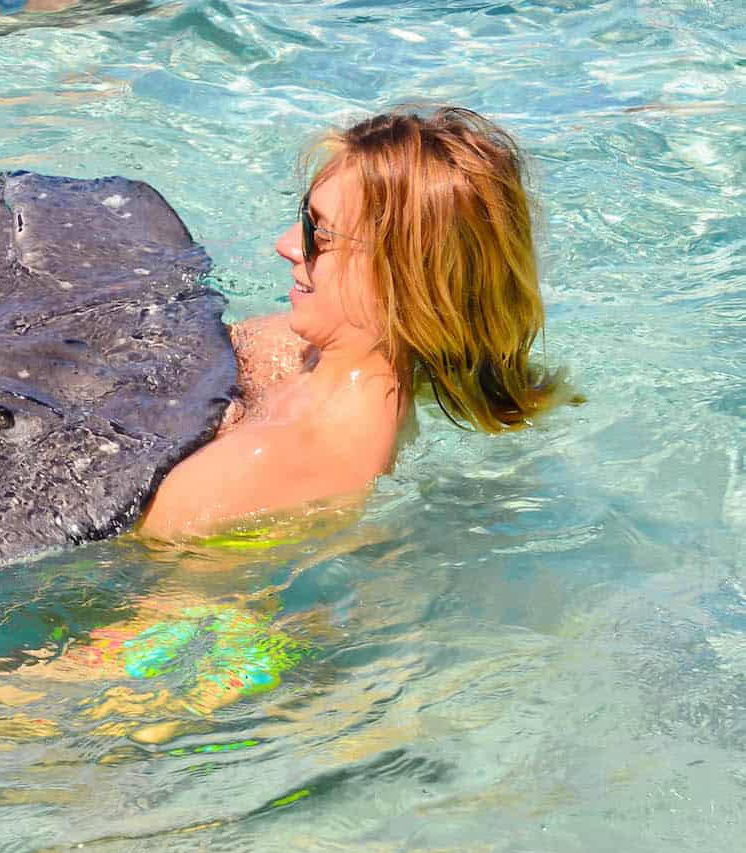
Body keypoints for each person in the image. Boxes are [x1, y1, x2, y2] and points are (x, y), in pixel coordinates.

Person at [140, 105, 560, 539]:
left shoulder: (269, 470)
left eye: (320, 235)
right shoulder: (291, 345)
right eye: (306, 218)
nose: (286, 245)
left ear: (406, 278)